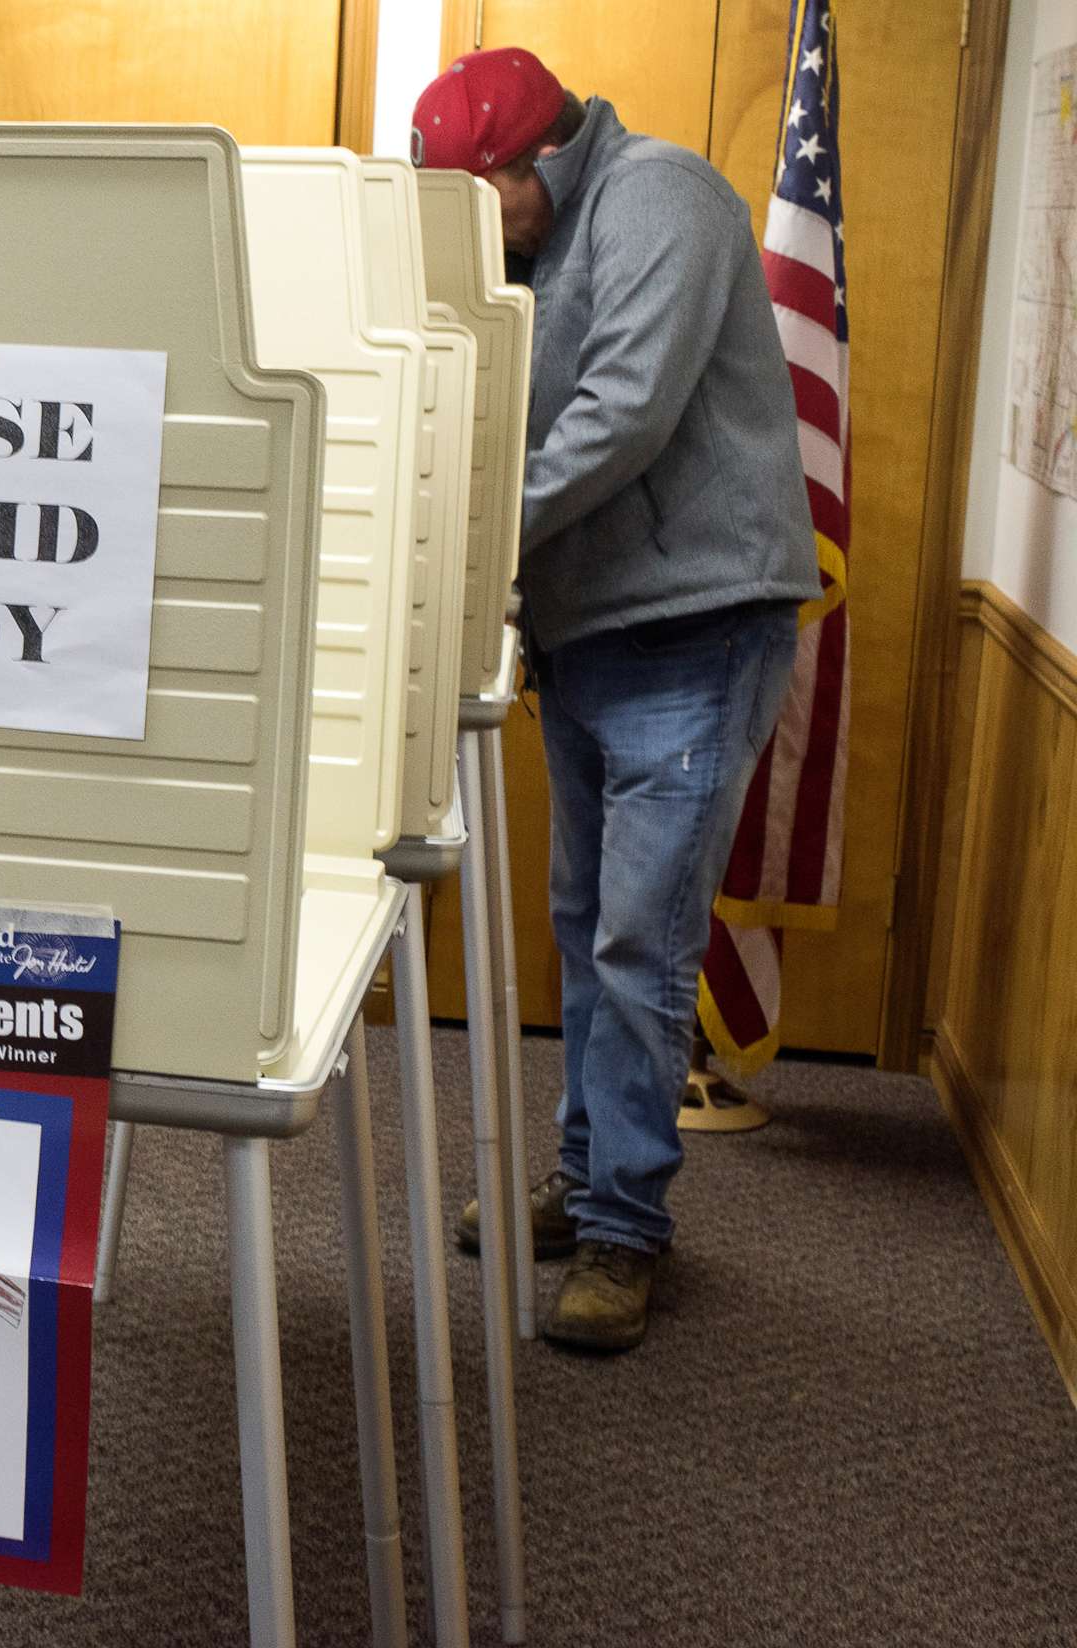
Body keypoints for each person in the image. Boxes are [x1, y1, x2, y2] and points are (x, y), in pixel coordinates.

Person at [412, 51, 819, 1351]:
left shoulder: (664, 200)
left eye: (486, 204)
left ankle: (626, 1235)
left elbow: (624, 414)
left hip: (694, 631)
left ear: (538, 165)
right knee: (590, 929)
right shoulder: (528, 253)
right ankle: (590, 1185)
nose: (479, 238)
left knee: (641, 946)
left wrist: (476, 540)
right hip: (591, 635)